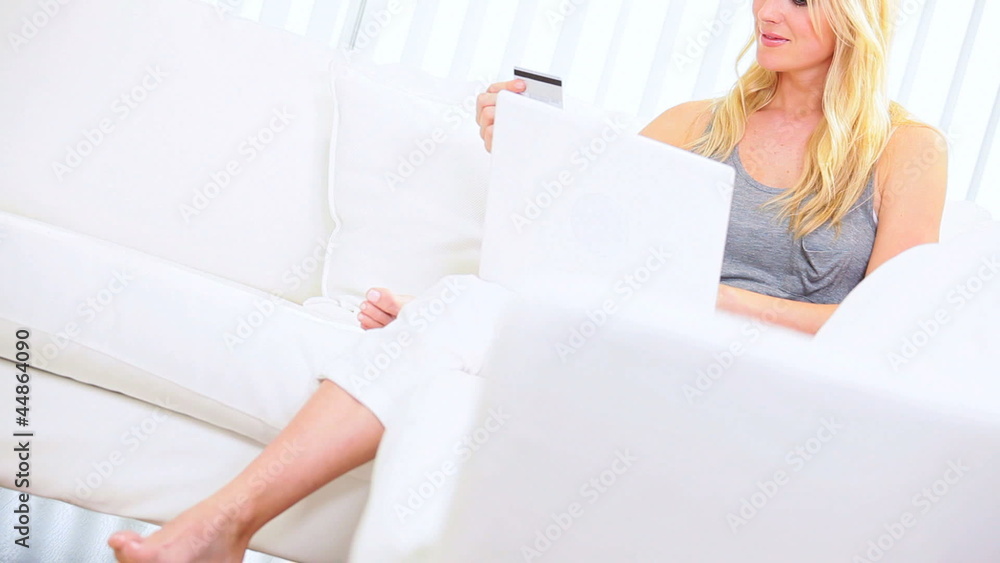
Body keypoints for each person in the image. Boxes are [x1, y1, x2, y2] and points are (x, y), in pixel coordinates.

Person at [107, 0, 946, 560]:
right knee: (460, 314)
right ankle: (223, 523)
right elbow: (582, 245)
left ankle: (222, 524)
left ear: (856, 13)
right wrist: (519, 147)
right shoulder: (698, 124)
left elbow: (894, 325)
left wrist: (707, 298)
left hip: (754, 386)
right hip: (630, 351)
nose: (768, 11)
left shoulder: (907, 149)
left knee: (461, 317)